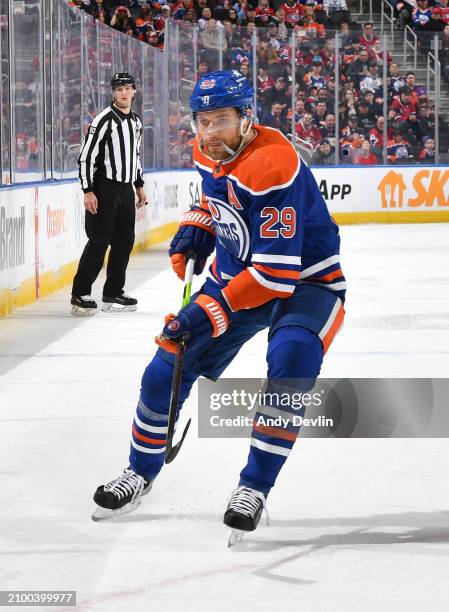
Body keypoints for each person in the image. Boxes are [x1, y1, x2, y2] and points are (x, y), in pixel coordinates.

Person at [92, 70, 346, 535]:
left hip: (306, 282)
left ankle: (254, 487)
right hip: (238, 277)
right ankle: (139, 472)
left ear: (247, 118)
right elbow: (219, 199)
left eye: (221, 120)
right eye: (202, 121)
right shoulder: (207, 149)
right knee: (163, 369)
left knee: (292, 359)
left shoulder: (273, 164)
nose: (209, 133)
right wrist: (200, 223)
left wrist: (202, 312)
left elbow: (275, 275)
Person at [71, 73, 147, 316]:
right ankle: (80, 294)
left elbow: (134, 156)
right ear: (113, 93)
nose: (124, 92)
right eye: (119, 89)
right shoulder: (103, 120)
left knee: (124, 241)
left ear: (134, 91)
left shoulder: (136, 122)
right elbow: (86, 157)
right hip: (103, 188)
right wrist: (88, 190)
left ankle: (113, 292)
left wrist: (139, 185)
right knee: (99, 241)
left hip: (125, 189)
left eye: (127, 88)